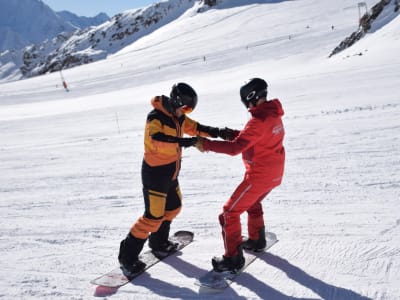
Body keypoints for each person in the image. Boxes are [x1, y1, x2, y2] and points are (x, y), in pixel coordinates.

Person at [118, 82, 234, 274]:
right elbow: (157, 140)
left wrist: (219, 132)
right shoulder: (155, 118)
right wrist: (186, 142)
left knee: (173, 208)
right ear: (176, 102)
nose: (186, 112)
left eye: (189, 109)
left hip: (171, 173)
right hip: (155, 174)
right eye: (185, 108)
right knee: (152, 217)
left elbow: (196, 127)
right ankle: (127, 257)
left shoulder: (178, 117)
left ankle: (159, 242)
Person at [195, 78, 285, 272]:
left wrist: (205, 144)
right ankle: (256, 239)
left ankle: (233, 258)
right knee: (252, 203)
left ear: (249, 97)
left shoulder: (258, 120)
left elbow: (236, 148)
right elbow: (254, 137)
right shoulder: (272, 114)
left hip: (260, 175)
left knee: (229, 213)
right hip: (274, 173)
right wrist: (229, 133)